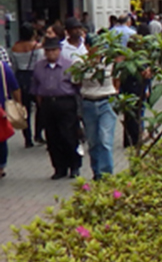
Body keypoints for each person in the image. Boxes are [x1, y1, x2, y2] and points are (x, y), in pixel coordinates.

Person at [31, 38, 81, 179]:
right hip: (47, 103)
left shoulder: (69, 65)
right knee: (52, 137)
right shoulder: (39, 66)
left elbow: (77, 87)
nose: (51, 53)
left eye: (53, 50)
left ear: (59, 50)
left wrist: (77, 109)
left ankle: (74, 166)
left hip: (65, 102)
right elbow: (36, 88)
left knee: (68, 136)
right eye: (48, 51)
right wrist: (42, 105)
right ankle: (59, 168)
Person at [79, 30, 121, 180]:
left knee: (105, 139)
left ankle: (106, 173)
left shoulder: (109, 63)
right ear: (88, 46)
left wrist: (114, 93)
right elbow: (76, 82)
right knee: (93, 141)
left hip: (106, 102)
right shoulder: (81, 63)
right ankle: (96, 171)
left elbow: (117, 80)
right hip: (89, 102)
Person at [10, 23, 44, 147]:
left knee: (25, 110)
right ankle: (38, 134)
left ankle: (27, 139)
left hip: (20, 78)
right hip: (34, 77)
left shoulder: (14, 48)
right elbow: (40, 63)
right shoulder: (37, 47)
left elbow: (13, 65)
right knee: (40, 107)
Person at [0, 58, 21, 178]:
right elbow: (15, 87)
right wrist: (18, 104)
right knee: (1, 139)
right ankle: (1, 166)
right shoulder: (3, 67)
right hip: (2, 109)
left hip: (1, 110)